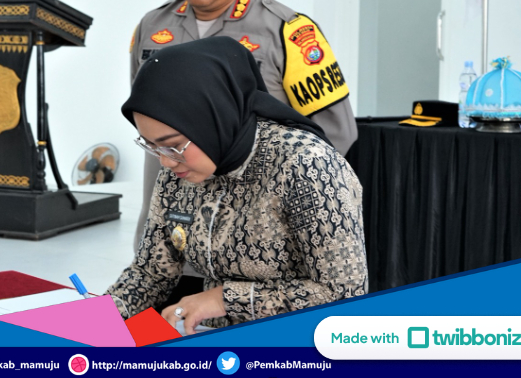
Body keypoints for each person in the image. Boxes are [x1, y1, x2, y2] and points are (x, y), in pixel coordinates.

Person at [130, 0, 358, 256]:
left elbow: (335, 135)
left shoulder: (287, 31)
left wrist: (271, 201)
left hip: (252, 243)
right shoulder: (153, 26)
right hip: (169, 237)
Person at [107, 38, 368, 334]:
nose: (165, 161)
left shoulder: (306, 164)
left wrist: (225, 299)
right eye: (152, 146)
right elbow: (150, 273)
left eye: (173, 145)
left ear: (212, 120)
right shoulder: (179, 170)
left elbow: (344, 294)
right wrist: (96, 317)